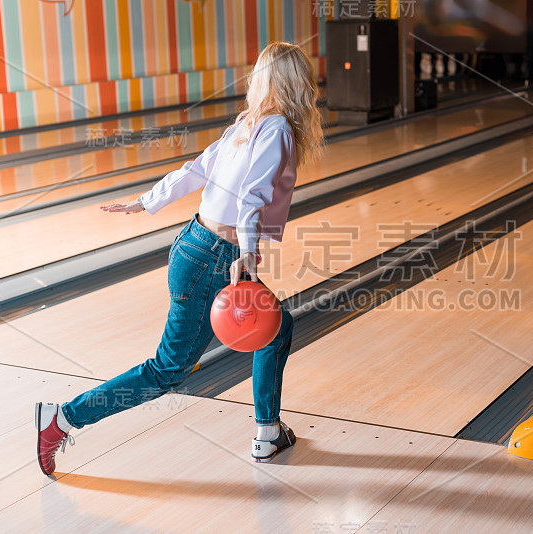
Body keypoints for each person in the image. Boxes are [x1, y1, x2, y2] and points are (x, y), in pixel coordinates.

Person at [35, 42, 324, 476]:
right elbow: (251, 197)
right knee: (166, 370)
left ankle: (268, 431)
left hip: (195, 244)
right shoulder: (278, 127)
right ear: (299, 83)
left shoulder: (249, 123)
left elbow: (196, 169)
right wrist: (247, 253)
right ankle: (61, 421)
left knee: (276, 329)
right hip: (219, 258)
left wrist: (146, 201)